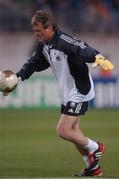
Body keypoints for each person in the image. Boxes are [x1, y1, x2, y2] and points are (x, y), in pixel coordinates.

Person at [5, 10, 114, 177]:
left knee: (63, 131)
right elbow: (34, 63)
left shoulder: (63, 40)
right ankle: (93, 167)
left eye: (39, 30)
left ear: (50, 27)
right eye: (35, 31)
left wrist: (97, 56)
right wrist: (18, 77)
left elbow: (81, 47)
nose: (37, 34)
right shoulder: (44, 45)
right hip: (67, 91)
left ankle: (96, 147)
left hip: (79, 89)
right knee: (73, 130)